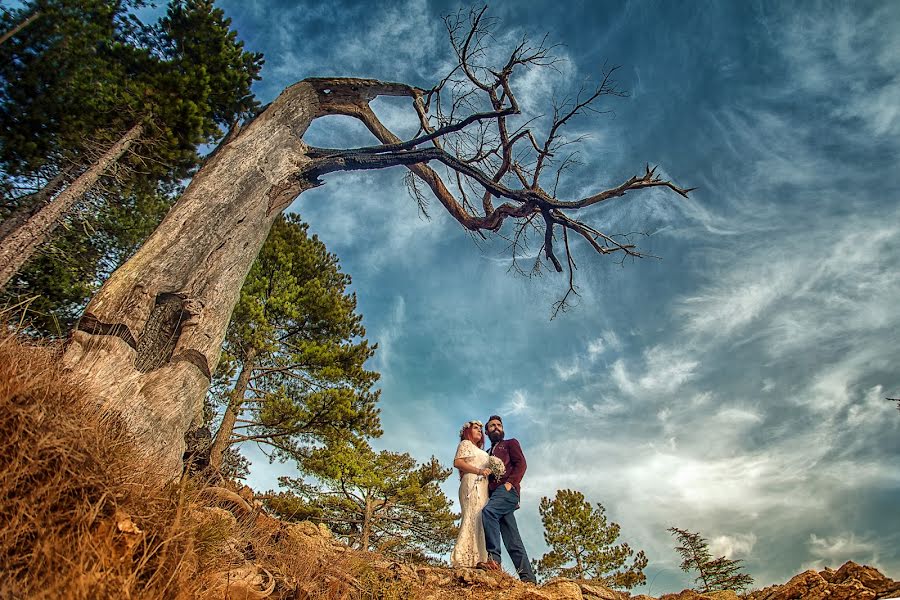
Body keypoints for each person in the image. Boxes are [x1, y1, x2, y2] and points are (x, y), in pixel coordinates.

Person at [480, 414, 537, 583]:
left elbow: (521, 464)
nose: (496, 427)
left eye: (499, 425)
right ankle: (528, 579)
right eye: (492, 426)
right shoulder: (487, 453)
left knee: (488, 512)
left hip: (507, 491)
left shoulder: (510, 443)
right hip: (494, 496)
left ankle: (494, 560)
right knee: (513, 539)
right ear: (487, 431)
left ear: (502, 428)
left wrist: (510, 483)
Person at [449, 420, 492, 568]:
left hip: (483, 487)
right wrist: (480, 471)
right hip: (472, 483)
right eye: (476, 428)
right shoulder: (465, 444)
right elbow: (458, 463)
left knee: (480, 520)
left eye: (481, 428)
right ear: (468, 431)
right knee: (471, 516)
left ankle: (479, 559)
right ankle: (463, 558)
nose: (479, 430)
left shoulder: (482, 451)